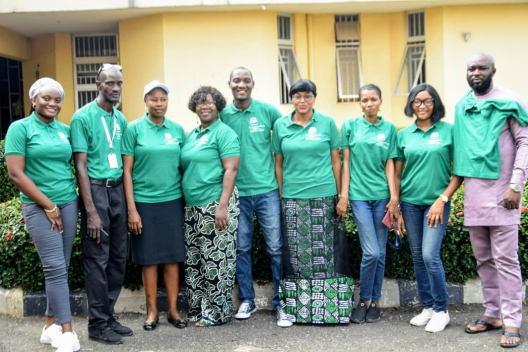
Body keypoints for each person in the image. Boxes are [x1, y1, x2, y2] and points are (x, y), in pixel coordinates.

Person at [454, 53, 527, 348]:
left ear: (493, 70)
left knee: (506, 260)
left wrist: (516, 185)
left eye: (481, 67)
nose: (476, 72)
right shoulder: (462, 105)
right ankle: (493, 314)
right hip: (474, 195)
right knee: (483, 259)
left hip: (504, 194)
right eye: (471, 68)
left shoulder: (510, 101)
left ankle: (512, 321)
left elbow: (525, 142)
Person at [5, 78, 80, 352]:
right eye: (46, 98)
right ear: (33, 100)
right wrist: (48, 205)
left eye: (57, 99)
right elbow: (16, 173)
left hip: (68, 203)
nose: (52, 103)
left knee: (62, 266)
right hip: (39, 207)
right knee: (54, 267)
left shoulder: (64, 130)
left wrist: (60, 203)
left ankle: (50, 327)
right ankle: (68, 332)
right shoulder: (20, 128)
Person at [273, 79, 354, 327]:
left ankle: (332, 310)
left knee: (327, 255)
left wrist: (342, 195)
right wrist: (281, 196)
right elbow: (278, 164)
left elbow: (336, 162)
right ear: (292, 99)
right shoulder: (280, 125)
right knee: (295, 257)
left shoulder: (327, 123)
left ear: (314, 98)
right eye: (297, 96)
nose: (302, 101)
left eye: (307, 96)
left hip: (324, 196)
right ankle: (296, 311)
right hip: (293, 199)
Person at [70, 64, 132, 345]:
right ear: (98, 85)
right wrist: (91, 212)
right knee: (97, 259)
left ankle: (107, 316)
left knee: (118, 258)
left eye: (119, 83)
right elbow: (80, 166)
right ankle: (96, 324)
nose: (115, 87)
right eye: (109, 83)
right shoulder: (82, 117)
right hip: (95, 190)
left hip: (117, 189)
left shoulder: (121, 119)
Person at [394, 83, 463, 333]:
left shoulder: (449, 131)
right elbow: (397, 174)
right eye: (417, 101)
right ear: (411, 104)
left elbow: (460, 171)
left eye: (427, 101)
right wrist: (397, 205)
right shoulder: (404, 135)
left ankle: (442, 310)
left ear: (436, 103)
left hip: (437, 204)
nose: (422, 106)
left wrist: (442, 200)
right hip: (410, 203)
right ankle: (428, 307)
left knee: (429, 255)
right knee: (417, 257)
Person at [122, 80, 187, 331]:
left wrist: (185, 204)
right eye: (153, 99)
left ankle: (172, 311)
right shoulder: (134, 129)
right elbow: (126, 172)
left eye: (163, 99)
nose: (159, 104)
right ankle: (152, 312)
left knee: (172, 259)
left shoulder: (178, 130)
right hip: (144, 203)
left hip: (173, 201)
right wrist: (132, 209)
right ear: (145, 101)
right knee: (148, 260)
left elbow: (183, 168)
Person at [220, 67, 283, 320]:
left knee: (276, 248)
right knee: (241, 249)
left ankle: (281, 301)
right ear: (230, 83)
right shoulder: (222, 114)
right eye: (237, 80)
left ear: (253, 84)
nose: (241, 84)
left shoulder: (268, 111)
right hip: (237, 193)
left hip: (267, 190)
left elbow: (286, 137)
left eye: (246, 80)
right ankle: (248, 299)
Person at [338, 84, 398, 324]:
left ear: (380, 101)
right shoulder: (351, 126)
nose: (369, 103)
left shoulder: (390, 128)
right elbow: (346, 164)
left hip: (382, 197)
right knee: (371, 251)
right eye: (364, 100)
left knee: (380, 252)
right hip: (359, 197)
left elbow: (390, 164)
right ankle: (363, 299)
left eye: (373, 99)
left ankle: (375, 301)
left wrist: (394, 197)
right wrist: (344, 195)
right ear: (360, 103)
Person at [181, 86, 240, 327]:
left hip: (215, 204)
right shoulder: (193, 134)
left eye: (210, 102)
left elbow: (231, 169)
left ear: (218, 106)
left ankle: (217, 314)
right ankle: (197, 310)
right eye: (200, 102)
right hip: (192, 207)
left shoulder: (224, 133)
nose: (205, 106)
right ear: (194, 107)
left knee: (217, 262)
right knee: (195, 262)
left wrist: (222, 205)